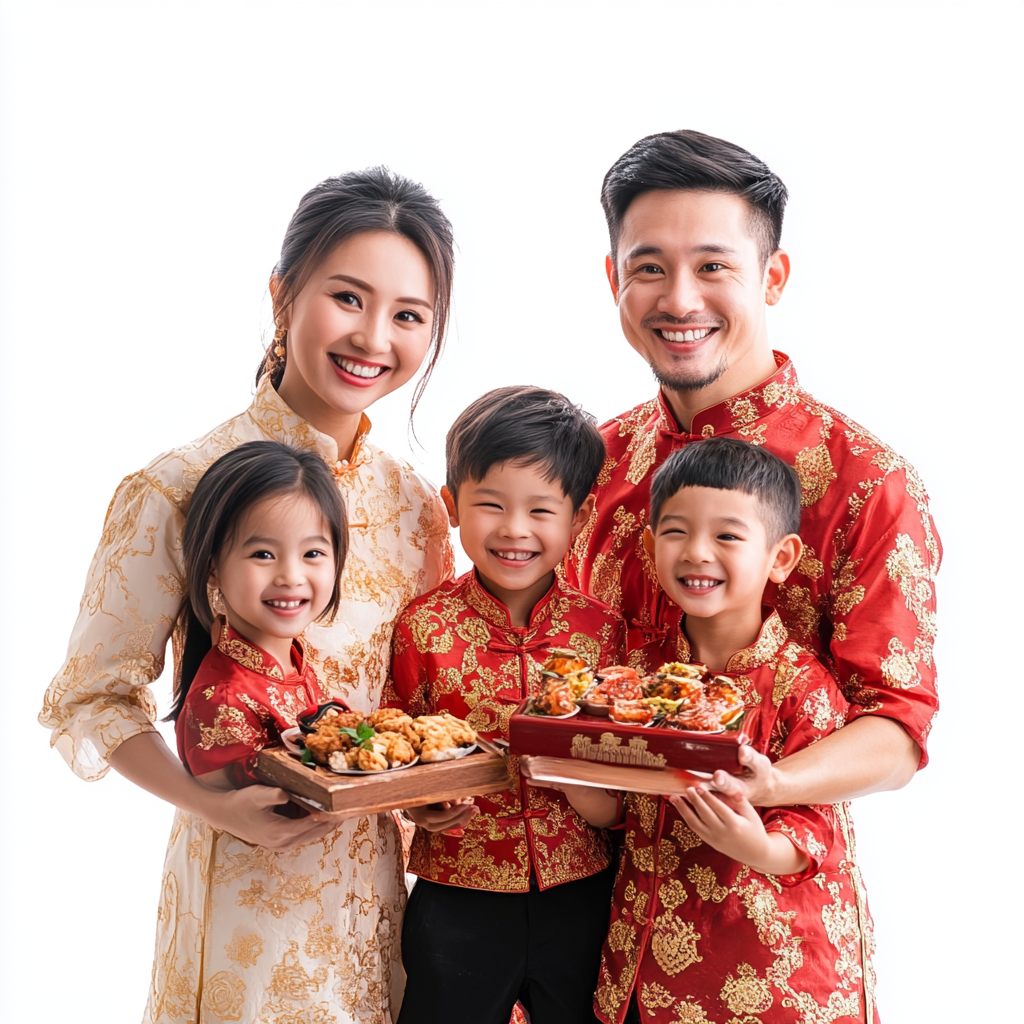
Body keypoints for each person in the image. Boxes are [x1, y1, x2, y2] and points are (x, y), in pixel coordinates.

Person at [39, 168, 455, 1023]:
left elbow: (417, 701)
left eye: (408, 316)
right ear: (281, 297)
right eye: (348, 297)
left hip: (382, 897)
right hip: (245, 901)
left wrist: (431, 795)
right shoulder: (181, 486)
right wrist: (215, 807)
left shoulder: (416, 507)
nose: (374, 336)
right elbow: (91, 696)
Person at [568, 129, 939, 810]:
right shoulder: (591, 462)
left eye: (714, 267)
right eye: (649, 268)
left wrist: (774, 784)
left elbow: (896, 726)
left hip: (769, 896)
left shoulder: (865, 479)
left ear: (771, 278)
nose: (680, 301)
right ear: (614, 278)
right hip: (583, 895)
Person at [573, 438, 875, 1023]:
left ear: (781, 558)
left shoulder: (799, 684)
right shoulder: (636, 673)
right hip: (647, 958)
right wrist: (562, 769)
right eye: (677, 532)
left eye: (728, 536)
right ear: (650, 543)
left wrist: (753, 845)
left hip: (769, 966)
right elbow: (616, 809)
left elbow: (819, 826)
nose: (697, 553)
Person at [383, 386, 625, 1024]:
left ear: (579, 515)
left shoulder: (604, 631)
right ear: (452, 507)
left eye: (542, 510)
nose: (514, 530)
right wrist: (421, 802)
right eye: (489, 505)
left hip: (582, 890)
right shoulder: (423, 627)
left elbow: (630, 759)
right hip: (456, 893)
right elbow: (394, 746)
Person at [161, 440, 353, 1020]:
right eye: (263, 554)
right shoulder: (222, 695)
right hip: (263, 910)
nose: (291, 577)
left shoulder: (293, 659)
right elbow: (267, 806)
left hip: (333, 902)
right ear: (214, 565)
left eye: (314, 553)